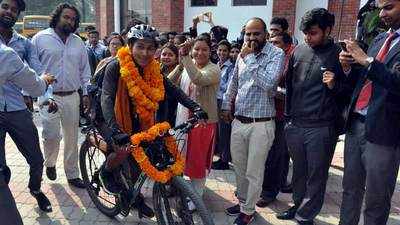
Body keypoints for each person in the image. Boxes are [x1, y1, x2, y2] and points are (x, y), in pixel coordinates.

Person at [100, 24, 208, 218]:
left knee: (142, 158)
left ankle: (134, 197)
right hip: (108, 115)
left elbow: (172, 89)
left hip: (138, 118)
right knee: (123, 150)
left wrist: (195, 107)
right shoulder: (116, 66)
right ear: (130, 46)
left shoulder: (153, 68)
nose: (145, 52)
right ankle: (106, 172)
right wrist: (114, 128)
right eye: (140, 47)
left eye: (150, 48)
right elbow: (106, 97)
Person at [276, 8, 347, 225]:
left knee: (316, 175)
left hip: (321, 127)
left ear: (327, 30)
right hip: (296, 124)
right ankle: (297, 206)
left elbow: (350, 93)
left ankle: (306, 216)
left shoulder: (341, 54)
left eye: (313, 33)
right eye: (306, 33)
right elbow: (288, 84)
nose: (308, 37)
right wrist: (288, 119)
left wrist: (335, 84)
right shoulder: (299, 51)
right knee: (299, 171)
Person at [338, 1, 400, 225]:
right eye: (380, 8)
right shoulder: (380, 39)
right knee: (350, 189)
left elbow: (396, 81)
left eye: (389, 7)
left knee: (377, 197)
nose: (382, 14)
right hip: (356, 125)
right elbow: (365, 78)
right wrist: (348, 66)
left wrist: (367, 60)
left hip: (384, 131)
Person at [221, 17, 284, 225]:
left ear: (266, 34)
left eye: (256, 33)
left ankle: (248, 210)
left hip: (262, 123)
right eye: (248, 33)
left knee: (254, 171)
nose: (251, 38)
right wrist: (225, 106)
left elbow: (269, 84)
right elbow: (233, 83)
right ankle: (242, 203)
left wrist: (249, 59)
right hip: (239, 121)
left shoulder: (276, 54)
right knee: (238, 168)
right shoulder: (242, 55)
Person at [0, 0, 53, 212]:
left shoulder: (24, 44)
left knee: (36, 159)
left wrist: (46, 97)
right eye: (5, 6)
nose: (9, 12)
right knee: (1, 168)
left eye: (14, 9)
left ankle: (35, 190)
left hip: (17, 109)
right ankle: (6, 205)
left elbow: (39, 72)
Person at [32, 3, 91, 188]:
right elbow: (33, 68)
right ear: (57, 17)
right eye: (66, 17)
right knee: (51, 134)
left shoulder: (78, 42)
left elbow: (84, 70)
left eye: (73, 19)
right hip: (48, 96)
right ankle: (49, 163)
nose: (70, 21)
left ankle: (72, 174)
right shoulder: (40, 39)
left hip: (72, 96)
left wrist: (86, 93)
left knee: (72, 137)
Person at [168, 35, 220, 208]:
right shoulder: (187, 67)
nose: (200, 52)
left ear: (210, 51)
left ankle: (197, 199)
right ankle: (183, 189)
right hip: (183, 120)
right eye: (196, 49)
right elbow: (168, 83)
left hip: (202, 123)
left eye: (204, 49)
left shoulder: (214, 69)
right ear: (191, 50)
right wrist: (181, 63)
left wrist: (185, 58)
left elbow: (198, 78)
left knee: (197, 162)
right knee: (180, 157)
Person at [256, 32, 296, 208]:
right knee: (263, 155)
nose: (272, 45)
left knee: (275, 156)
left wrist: (278, 92)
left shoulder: (290, 60)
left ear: (287, 46)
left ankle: (269, 192)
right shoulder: (267, 57)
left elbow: (291, 87)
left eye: (276, 43)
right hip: (264, 112)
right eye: (270, 42)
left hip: (282, 115)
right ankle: (259, 189)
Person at [212, 40, 234, 170]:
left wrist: (226, 106)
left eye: (225, 50)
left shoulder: (231, 67)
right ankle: (219, 155)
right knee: (217, 131)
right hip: (213, 100)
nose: (222, 53)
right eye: (220, 50)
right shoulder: (215, 65)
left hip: (223, 101)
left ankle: (224, 160)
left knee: (224, 131)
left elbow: (229, 87)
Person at [159, 43, 179, 126]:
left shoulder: (181, 72)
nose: (166, 57)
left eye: (170, 55)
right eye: (164, 54)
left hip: (175, 112)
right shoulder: (156, 69)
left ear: (176, 58)